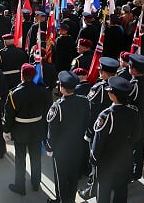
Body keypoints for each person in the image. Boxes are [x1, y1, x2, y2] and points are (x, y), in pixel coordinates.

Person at [3, 63, 51, 196]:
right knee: (36, 158)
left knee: (20, 159)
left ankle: (20, 186)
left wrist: (6, 130)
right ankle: (36, 183)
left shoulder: (14, 94)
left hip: (20, 131)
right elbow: (48, 111)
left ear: (22, 76)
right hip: (37, 130)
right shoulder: (43, 92)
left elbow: (9, 115)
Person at [91, 76, 140, 203]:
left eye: (109, 91)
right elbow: (136, 135)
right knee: (121, 189)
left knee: (103, 191)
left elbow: (99, 140)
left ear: (113, 95)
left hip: (107, 161)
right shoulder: (133, 111)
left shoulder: (106, 115)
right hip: (125, 157)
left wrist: (94, 158)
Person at [78, 57, 119, 200]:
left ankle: (91, 189)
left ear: (104, 72)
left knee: (96, 161)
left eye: (101, 70)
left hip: (100, 131)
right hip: (116, 131)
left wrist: (89, 131)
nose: (99, 72)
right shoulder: (121, 85)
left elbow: (91, 111)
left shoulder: (99, 88)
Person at [46, 71, 89, 203]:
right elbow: (87, 122)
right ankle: (70, 199)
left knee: (61, 177)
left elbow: (52, 131)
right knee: (73, 176)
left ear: (62, 87)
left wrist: (49, 147)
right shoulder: (84, 101)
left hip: (61, 150)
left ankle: (62, 200)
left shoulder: (58, 107)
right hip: (78, 146)